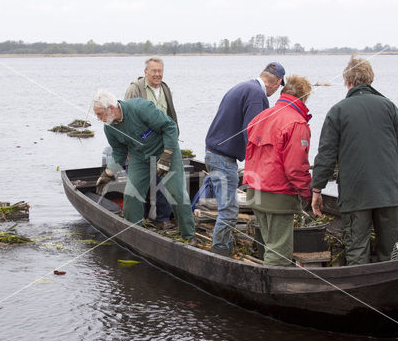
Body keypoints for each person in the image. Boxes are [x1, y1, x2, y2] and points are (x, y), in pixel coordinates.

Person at [311, 55, 398, 266]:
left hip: (356, 195)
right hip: (390, 193)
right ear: (370, 79)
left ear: (347, 81)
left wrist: (317, 189)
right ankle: (390, 292)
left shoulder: (338, 111)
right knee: (392, 253)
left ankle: (358, 293)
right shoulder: (389, 107)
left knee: (357, 251)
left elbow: (326, 155)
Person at [92, 89, 197, 246]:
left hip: (165, 151)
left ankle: (189, 236)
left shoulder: (140, 108)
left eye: (100, 114)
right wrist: (107, 173)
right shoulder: (109, 128)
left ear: (111, 108)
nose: (98, 118)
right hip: (140, 158)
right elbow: (119, 152)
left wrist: (167, 156)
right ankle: (134, 236)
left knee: (176, 193)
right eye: (97, 115)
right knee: (130, 195)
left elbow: (170, 127)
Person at [204, 62, 285, 256]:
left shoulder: (242, 87)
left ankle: (225, 245)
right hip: (222, 158)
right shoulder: (257, 95)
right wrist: (261, 166)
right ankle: (220, 252)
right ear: (278, 82)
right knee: (229, 211)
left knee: (226, 207)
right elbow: (253, 133)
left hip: (214, 154)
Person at [243, 75, 313, 266]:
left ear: (283, 93)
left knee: (269, 244)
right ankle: (270, 291)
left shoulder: (259, 117)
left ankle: (264, 280)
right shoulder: (296, 123)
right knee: (279, 253)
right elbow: (296, 169)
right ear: (304, 97)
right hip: (278, 196)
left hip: (255, 192)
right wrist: (308, 192)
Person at [125, 56, 177, 229]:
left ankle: (162, 218)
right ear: (145, 72)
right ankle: (136, 221)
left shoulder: (165, 88)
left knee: (163, 178)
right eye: (154, 71)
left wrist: (172, 142)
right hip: (141, 146)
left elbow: (170, 115)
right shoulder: (135, 89)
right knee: (140, 182)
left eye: (160, 71)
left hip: (162, 142)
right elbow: (126, 118)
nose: (157, 74)